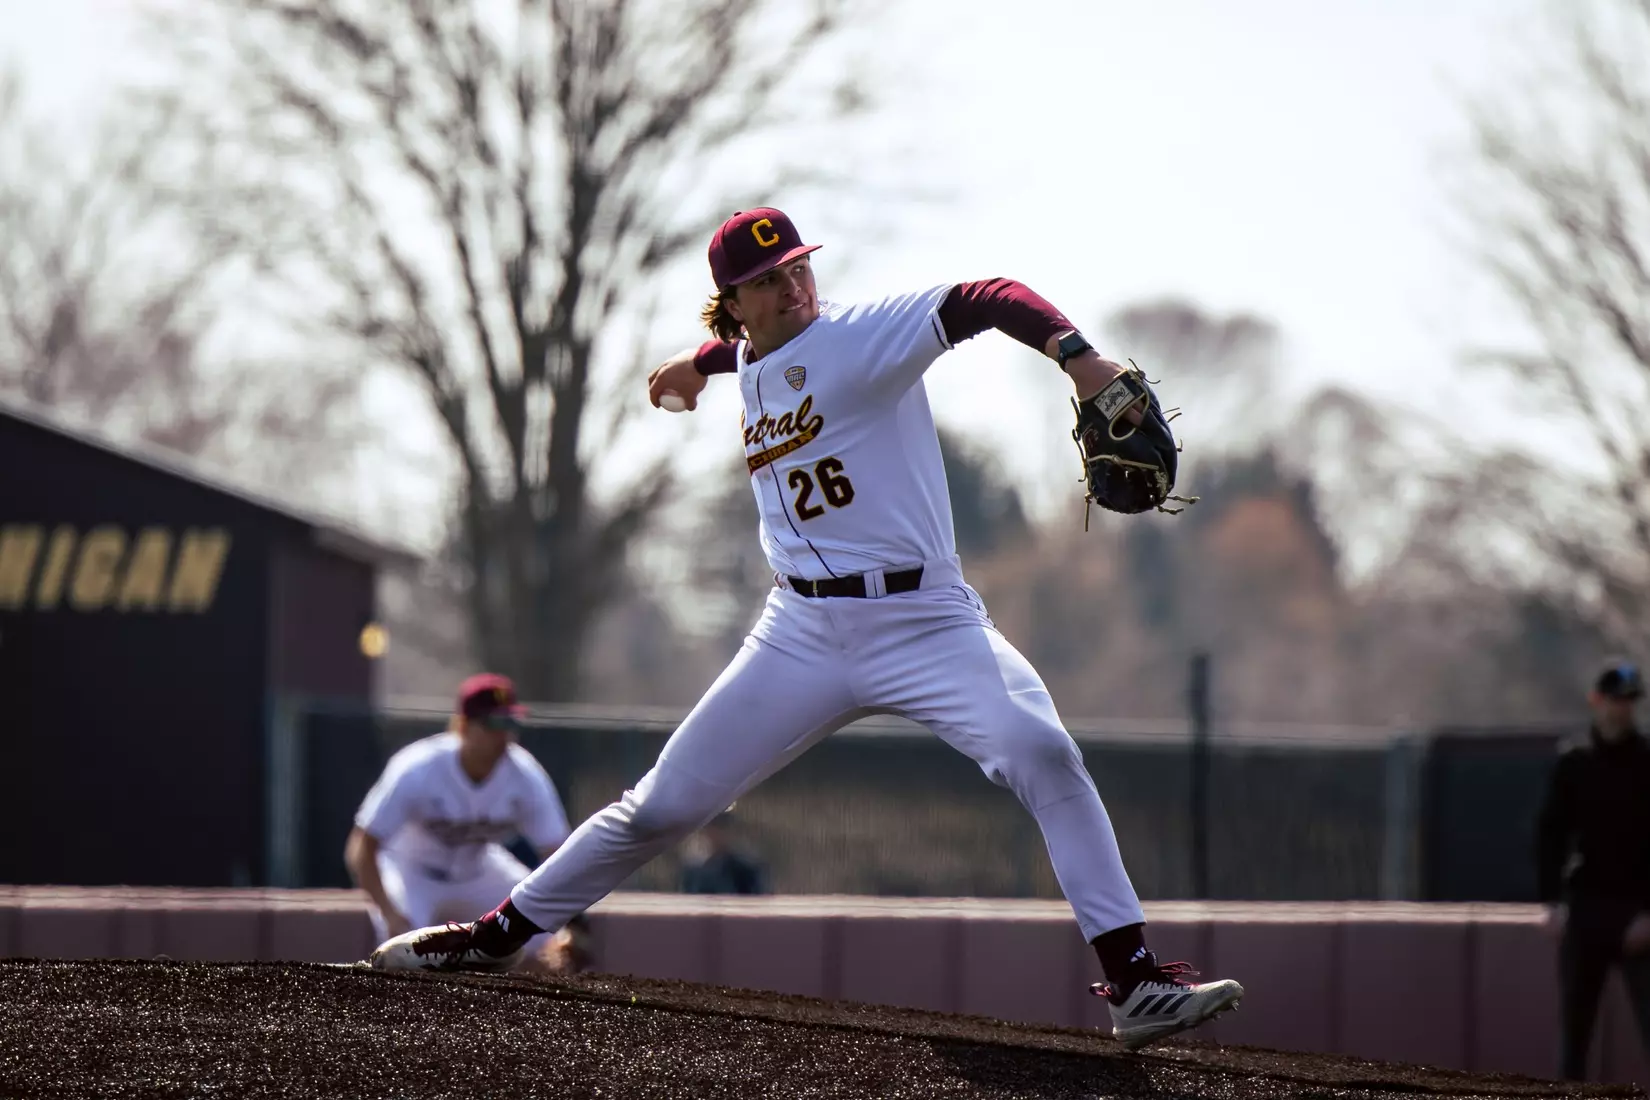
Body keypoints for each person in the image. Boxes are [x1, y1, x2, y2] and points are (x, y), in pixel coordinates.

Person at [369, 206, 1243, 1050]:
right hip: (800, 631)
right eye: (766, 280)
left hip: (924, 618)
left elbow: (987, 296)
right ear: (733, 303)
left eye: (797, 267)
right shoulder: (752, 354)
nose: (791, 286)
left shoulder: (862, 335)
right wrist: (699, 365)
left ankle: (1134, 983)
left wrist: (1078, 359)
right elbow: (755, 354)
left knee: (1043, 752)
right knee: (662, 807)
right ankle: (496, 936)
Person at [345, 672, 587, 973]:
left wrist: (571, 924)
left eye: (510, 723)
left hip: (478, 870)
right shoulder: (418, 768)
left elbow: (557, 852)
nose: (503, 735)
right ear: (462, 725)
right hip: (413, 873)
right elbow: (362, 846)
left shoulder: (524, 774)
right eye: (492, 724)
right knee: (401, 951)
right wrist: (389, 911)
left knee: (550, 936)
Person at [1536, 658, 1650, 1081]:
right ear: (1596, 701)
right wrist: (1551, 900)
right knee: (1575, 1037)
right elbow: (1551, 834)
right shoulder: (1575, 762)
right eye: (1615, 700)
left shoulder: (1646, 761)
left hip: (1637, 913)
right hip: (1585, 910)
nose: (1622, 709)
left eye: (1629, 701)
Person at [679, 809, 767, 896]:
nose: (718, 834)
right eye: (714, 828)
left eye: (722, 827)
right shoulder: (694, 869)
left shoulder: (746, 869)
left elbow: (757, 896)